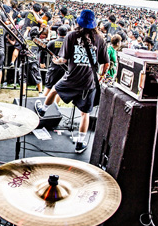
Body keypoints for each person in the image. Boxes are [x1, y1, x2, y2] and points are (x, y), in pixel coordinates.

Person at [35, 9, 109, 153]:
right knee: (85, 114)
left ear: (79, 22)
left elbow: (63, 60)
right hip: (89, 81)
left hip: (72, 77)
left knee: (54, 89)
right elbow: (106, 63)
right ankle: (80, 144)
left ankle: (43, 110)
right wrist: (101, 76)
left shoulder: (71, 36)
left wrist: (56, 61)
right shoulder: (100, 39)